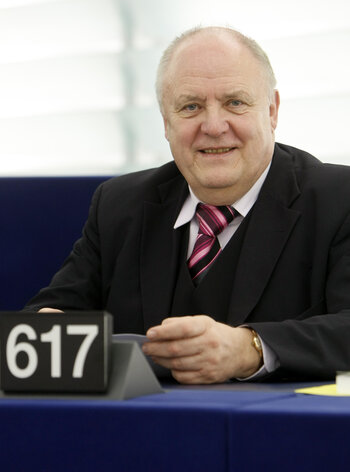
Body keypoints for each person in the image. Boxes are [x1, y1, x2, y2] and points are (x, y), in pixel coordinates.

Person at [25, 26, 350, 384]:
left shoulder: (339, 200)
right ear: (166, 122)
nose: (213, 126)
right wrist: (45, 329)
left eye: (235, 102)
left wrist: (250, 348)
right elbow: (48, 317)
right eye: (190, 106)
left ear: (271, 111)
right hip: (131, 430)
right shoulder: (119, 205)